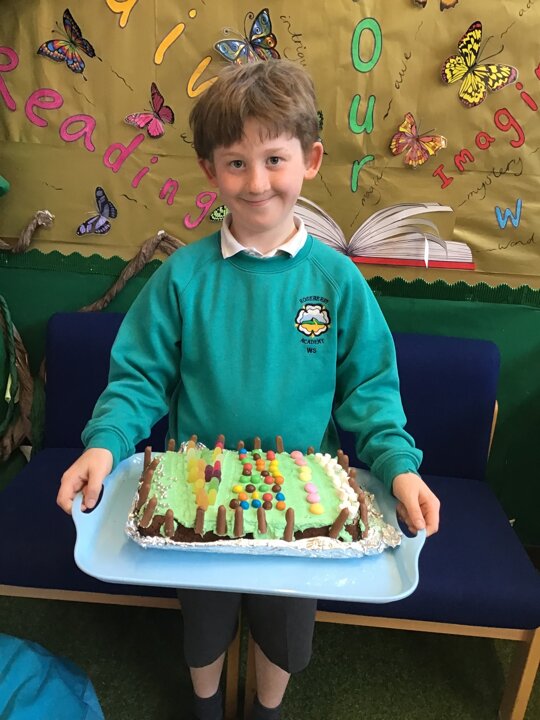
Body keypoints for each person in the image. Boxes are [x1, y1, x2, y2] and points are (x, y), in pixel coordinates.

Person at [57, 59, 440, 720]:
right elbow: (140, 378)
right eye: (236, 163)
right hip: (198, 504)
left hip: (303, 513)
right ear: (210, 170)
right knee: (204, 631)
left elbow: (371, 391)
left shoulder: (338, 283)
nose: (257, 182)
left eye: (274, 159)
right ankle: (205, 706)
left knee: (285, 638)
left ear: (310, 160)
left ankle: (266, 711)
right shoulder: (182, 277)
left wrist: (399, 467)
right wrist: (104, 444)